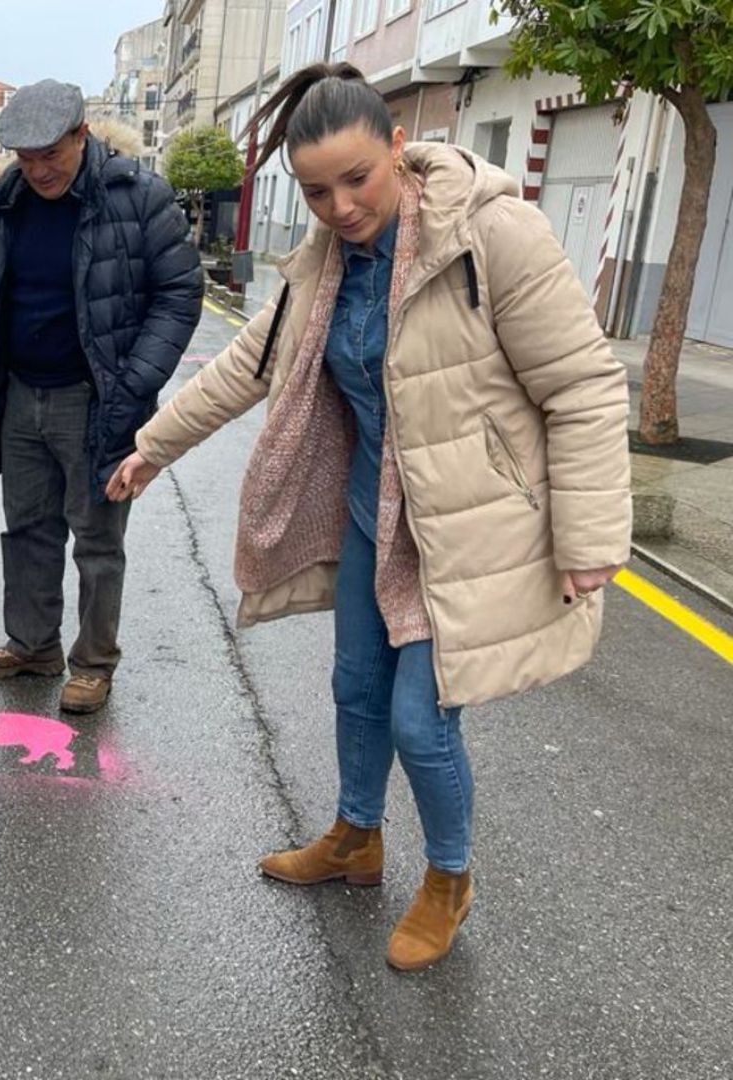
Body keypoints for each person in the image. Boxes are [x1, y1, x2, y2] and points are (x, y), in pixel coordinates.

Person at [107, 63, 632, 970]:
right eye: (316, 191)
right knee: (355, 689)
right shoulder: (326, 261)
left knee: (423, 722)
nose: (341, 206)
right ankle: (356, 837)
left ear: (398, 146)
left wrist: (589, 537)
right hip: (371, 513)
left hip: (467, 524)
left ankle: (449, 879)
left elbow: (583, 387)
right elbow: (250, 364)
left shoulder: (492, 234)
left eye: (358, 179)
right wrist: (154, 446)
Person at [0, 79, 201, 715]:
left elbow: (180, 294)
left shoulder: (138, 196)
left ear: (80, 135)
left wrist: (133, 384)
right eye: (24, 156)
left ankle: (93, 664)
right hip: (20, 395)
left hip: (95, 400)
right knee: (28, 530)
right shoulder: (6, 204)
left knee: (97, 541)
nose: (38, 169)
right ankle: (33, 645)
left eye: (50, 154)